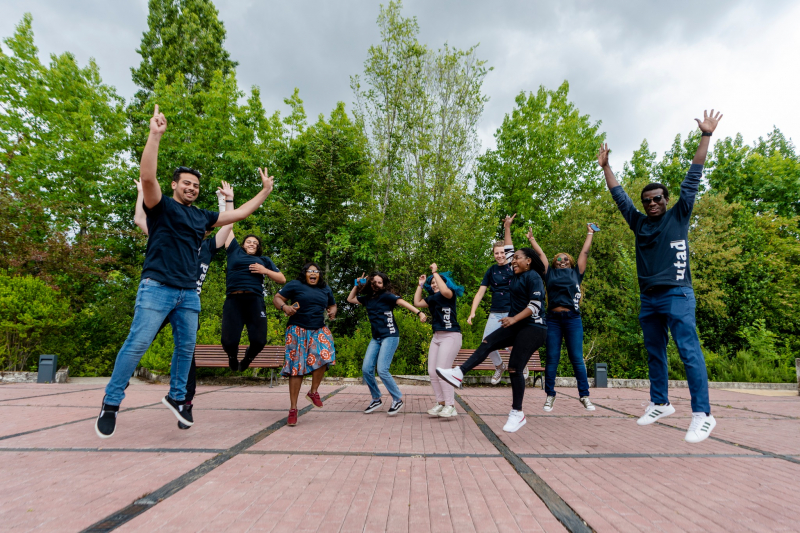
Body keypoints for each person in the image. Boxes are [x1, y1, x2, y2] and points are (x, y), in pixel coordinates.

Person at [95, 105, 275, 439]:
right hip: (157, 288)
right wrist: (155, 135)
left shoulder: (201, 218)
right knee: (136, 345)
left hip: (188, 293)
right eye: (186, 183)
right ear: (174, 185)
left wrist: (264, 191)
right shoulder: (160, 207)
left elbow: (235, 217)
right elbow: (148, 178)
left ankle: (178, 398)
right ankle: (111, 401)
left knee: (185, 349)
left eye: (195, 185)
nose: (191, 188)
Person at [597, 109, 722, 443]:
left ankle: (702, 414)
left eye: (657, 198)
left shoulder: (679, 215)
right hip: (649, 298)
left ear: (667, 201)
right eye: (647, 200)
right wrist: (606, 167)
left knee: (688, 350)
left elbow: (693, 175)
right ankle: (660, 402)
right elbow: (619, 196)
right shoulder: (639, 223)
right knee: (654, 351)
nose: (652, 203)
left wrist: (705, 135)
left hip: (678, 293)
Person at [131, 178, 234, 429]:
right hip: (162, 295)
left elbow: (227, 226)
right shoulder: (166, 235)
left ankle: (185, 403)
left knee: (188, 356)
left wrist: (227, 201)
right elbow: (139, 220)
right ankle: (122, 379)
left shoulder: (208, 247)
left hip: (187, 303)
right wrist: (141, 193)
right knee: (140, 340)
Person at [436, 215, 547, 433]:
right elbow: (507, 249)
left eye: (517, 258)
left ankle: (517, 413)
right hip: (516, 325)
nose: (512, 260)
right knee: (487, 342)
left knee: (514, 366)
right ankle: (459, 372)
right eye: (511, 258)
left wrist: (514, 318)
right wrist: (507, 227)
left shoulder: (533, 277)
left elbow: (535, 306)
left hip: (534, 328)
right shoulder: (512, 272)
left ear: (528, 261)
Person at [526, 224, 596, 413]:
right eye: (558, 259)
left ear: (571, 262)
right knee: (552, 359)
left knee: (576, 358)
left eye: (565, 259)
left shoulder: (576, 273)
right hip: (553, 319)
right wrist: (532, 240)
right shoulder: (549, 273)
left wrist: (590, 232)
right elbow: (541, 257)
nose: (562, 261)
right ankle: (550, 395)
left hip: (573, 319)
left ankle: (584, 396)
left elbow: (585, 252)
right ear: (555, 263)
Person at [347, 271, 427, 415]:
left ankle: (397, 399)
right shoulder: (367, 298)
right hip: (376, 338)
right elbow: (350, 299)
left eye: (379, 282)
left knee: (382, 369)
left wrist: (419, 313)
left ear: (383, 285)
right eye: (373, 282)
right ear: (370, 283)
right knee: (366, 369)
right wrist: (356, 285)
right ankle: (376, 398)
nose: (376, 285)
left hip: (390, 336)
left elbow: (403, 303)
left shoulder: (387, 296)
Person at [273, 262, 337, 426]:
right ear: (305, 273)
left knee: (326, 355)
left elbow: (332, 304)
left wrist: (332, 310)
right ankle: (293, 409)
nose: (314, 273)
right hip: (297, 330)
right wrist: (284, 307)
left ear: (320, 274)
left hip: (318, 328)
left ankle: (313, 391)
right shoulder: (295, 284)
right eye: (310, 271)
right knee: (296, 369)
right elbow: (277, 298)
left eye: (316, 271)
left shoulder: (325, 288)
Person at [467, 216, 528, 385]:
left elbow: (510, 250)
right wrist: (472, 312)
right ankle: (499, 366)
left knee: (511, 344)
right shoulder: (491, 270)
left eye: (502, 252)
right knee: (486, 341)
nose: (500, 255)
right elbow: (480, 293)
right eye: (497, 253)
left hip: (511, 311)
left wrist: (507, 227)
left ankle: (521, 365)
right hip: (495, 312)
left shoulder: (513, 267)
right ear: (493, 255)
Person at [222, 229, 286, 372]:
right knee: (228, 341)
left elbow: (282, 279)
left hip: (255, 301)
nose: (252, 244)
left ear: (258, 247)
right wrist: (226, 206)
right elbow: (228, 227)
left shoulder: (264, 260)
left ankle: (248, 358)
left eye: (255, 243)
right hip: (234, 300)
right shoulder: (234, 252)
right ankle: (232, 357)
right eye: (248, 242)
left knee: (259, 340)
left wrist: (265, 271)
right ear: (243, 244)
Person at [413, 264, 464, 419]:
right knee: (432, 372)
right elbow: (417, 302)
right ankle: (441, 403)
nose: (434, 283)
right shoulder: (433, 299)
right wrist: (421, 285)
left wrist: (435, 272)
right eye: (432, 282)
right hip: (437, 337)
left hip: (451, 335)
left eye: (437, 281)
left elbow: (444, 290)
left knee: (443, 371)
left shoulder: (449, 294)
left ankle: (451, 406)